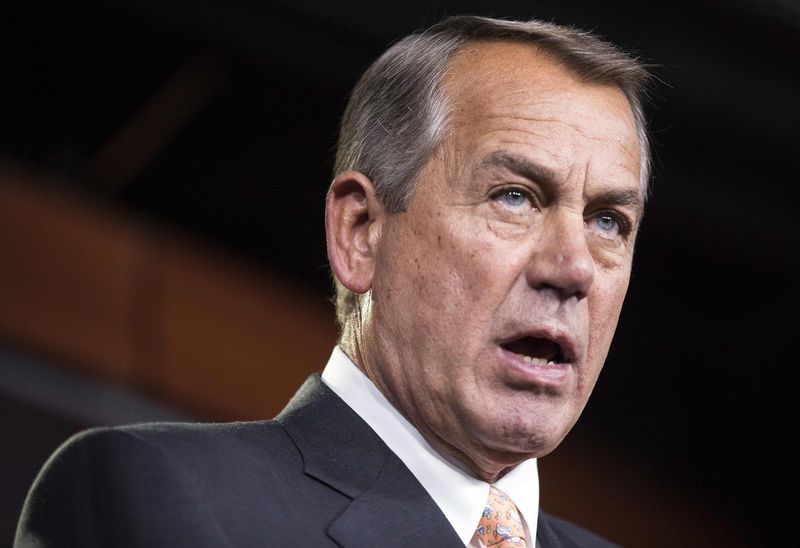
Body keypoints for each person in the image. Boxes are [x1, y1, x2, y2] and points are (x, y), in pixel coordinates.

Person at [15, 15, 650, 547]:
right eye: (514, 197)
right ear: (361, 231)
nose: (573, 268)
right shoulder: (163, 502)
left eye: (608, 221)